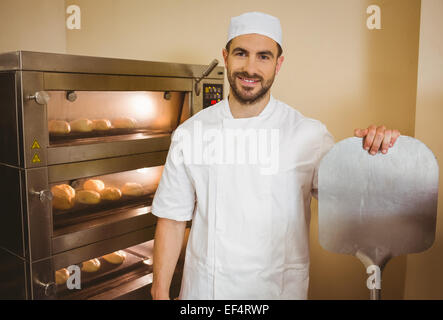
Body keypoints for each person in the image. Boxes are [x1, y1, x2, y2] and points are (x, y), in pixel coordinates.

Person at [150, 12, 400, 300]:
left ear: (279, 64)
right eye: (241, 53)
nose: (250, 68)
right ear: (226, 56)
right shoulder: (190, 133)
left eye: (264, 56)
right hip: (206, 291)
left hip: (278, 290)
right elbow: (171, 218)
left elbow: (353, 204)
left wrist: (376, 153)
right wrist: (159, 293)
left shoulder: (309, 135)